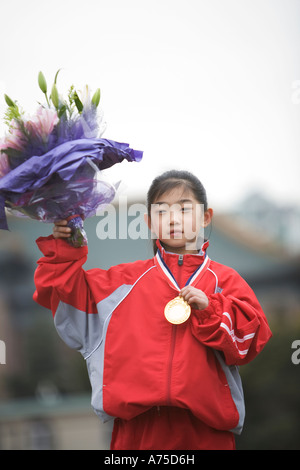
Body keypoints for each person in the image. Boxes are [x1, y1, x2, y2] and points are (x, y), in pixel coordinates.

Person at [33, 169, 272, 450]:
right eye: (161, 212)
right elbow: (61, 293)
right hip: (136, 436)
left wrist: (211, 309)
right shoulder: (120, 284)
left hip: (206, 435)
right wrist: (65, 246)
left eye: (184, 209)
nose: (172, 219)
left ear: (206, 217)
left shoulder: (226, 282)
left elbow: (252, 340)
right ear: (149, 222)